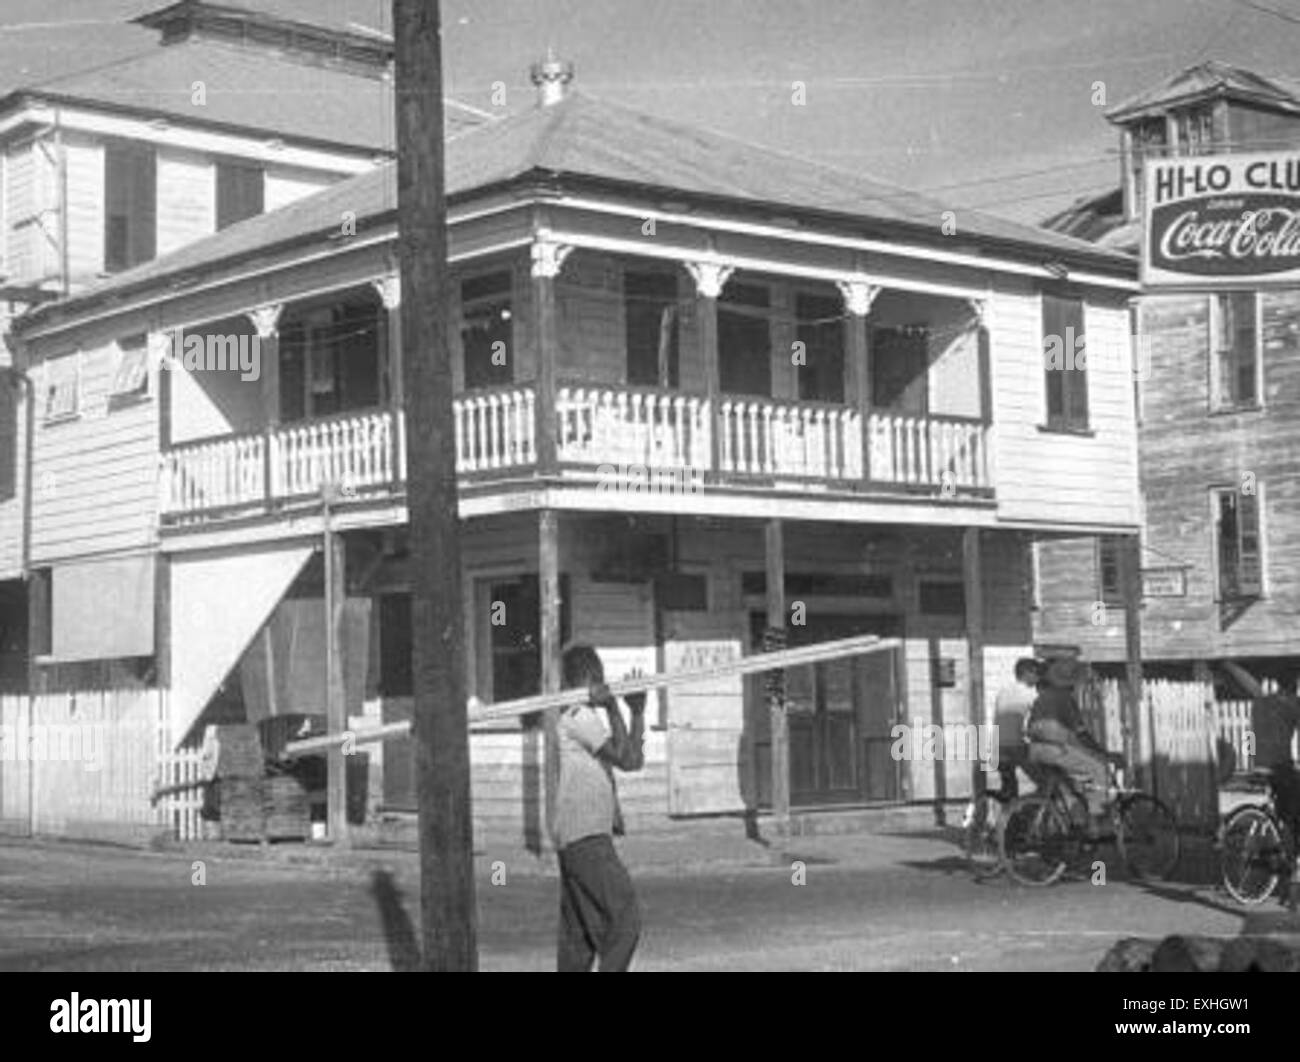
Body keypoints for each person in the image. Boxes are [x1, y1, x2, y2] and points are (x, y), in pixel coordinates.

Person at [555, 645, 647, 973]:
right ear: (586, 679)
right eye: (596, 675)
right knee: (625, 919)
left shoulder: (587, 720)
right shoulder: (578, 717)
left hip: (580, 836)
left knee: (579, 939)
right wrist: (612, 706)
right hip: (586, 836)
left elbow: (632, 760)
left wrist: (635, 711)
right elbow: (623, 758)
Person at [1025, 657, 1112, 829]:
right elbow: (1081, 733)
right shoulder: (1065, 698)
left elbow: (1030, 727)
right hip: (1055, 751)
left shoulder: (1042, 698)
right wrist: (1100, 751)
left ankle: (1071, 826)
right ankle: (1096, 822)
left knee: (1066, 789)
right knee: (1099, 769)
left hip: (1035, 751)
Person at [990, 657, 1042, 799]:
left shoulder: (1003, 691)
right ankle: (1036, 810)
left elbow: (998, 719)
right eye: (1036, 673)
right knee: (1046, 783)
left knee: (1010, 791)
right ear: (1026, 673)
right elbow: (1034, 725)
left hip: (998, 747)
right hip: (1016, 747)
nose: (1038, 677)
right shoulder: (1031, 694)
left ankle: (1011, 816)